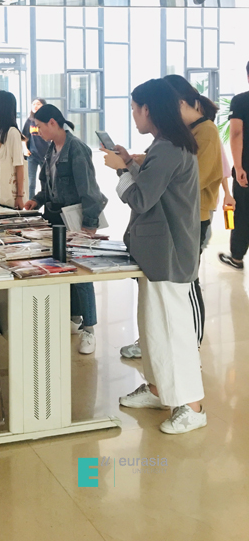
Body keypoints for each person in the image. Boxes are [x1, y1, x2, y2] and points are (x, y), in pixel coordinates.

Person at [102, 78, 206, 434]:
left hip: (170, 251)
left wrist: (120, 170)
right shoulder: (167, 145)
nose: (134, 116)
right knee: (153, 328)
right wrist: (129, 163)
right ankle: (159, 388)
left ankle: (192, 406)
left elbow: (142, 198)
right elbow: (152, 187)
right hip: (158, 251)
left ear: (149, 109)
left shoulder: (168, 148)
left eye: (135, 109)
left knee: (173, 330)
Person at [23, 104, 107, 355]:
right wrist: (36, 200)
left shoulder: (76, 148)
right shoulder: (51, 148)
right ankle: (74, 317)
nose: (37, 132)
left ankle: (89, 329)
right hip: (55, 216)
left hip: (76, 218)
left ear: (53, 122)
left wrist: (89, 225)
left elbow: (89, 190)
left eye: (39, 126)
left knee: (82, 273)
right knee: (62, 268)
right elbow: (47, 185)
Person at [219, 60, 249, 270]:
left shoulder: (240, 101)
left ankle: (236, 257)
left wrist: (238, 167)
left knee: (241, 212)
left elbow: (237, 133)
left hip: (246, 168)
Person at [22, 98, 48, 200]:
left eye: (38, 104)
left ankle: (46, 203)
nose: (35, 106)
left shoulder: (47, 120)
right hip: (32, 155)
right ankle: (31, 203)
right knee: (30, 182)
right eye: (33, 104)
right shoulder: (29, 121)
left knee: (45, 182)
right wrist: (25, 149)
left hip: (46, 155)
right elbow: (24, 137)